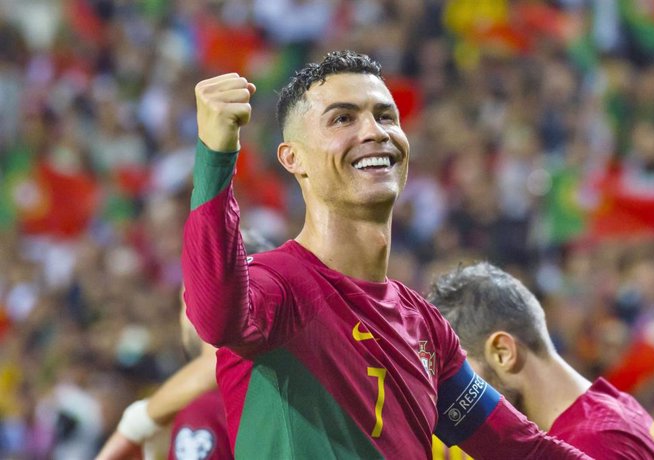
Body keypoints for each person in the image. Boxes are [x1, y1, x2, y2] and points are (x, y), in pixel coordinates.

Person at [182, 50, 590, 459]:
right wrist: (215, 156)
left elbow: (520, 448)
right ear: (293, 158)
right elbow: (216, 318)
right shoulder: (279, 289)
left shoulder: (426, 327)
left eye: (386, 116)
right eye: (343, 118)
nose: (375, 131)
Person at [428, 261, 654, 460]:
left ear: (503, 353)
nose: (455, 394)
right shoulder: (611, 408)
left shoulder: (589, 443)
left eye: (460, 374)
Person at [96, 231, 274, 460]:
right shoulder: (309, 376)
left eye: (187, 299)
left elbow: (216, 361)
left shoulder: (210, 409)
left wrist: (134, 425)